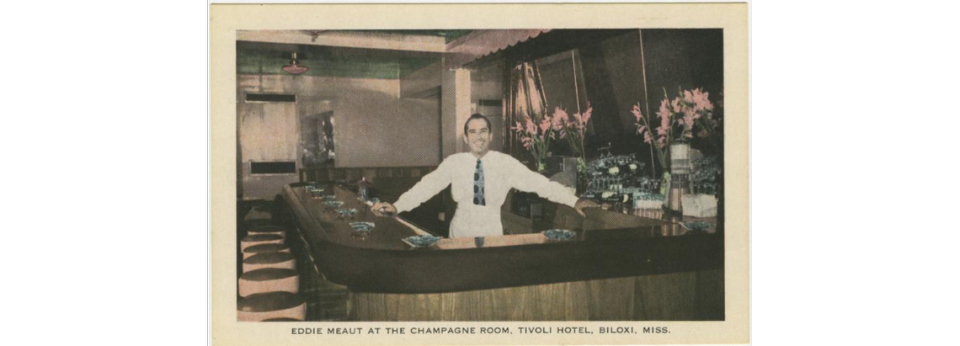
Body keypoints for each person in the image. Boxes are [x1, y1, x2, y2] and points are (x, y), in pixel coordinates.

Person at [373, 113, 599, 238]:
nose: (478, 137)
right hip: (460, 230)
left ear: (490, 136)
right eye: (473, 132)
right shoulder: (454, 163)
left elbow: (541, 184)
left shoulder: (505, 163)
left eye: (483, 131)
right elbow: (425, 187)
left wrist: (574, 200)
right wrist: (397, 206)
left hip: (492, 230)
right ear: (465, 138)